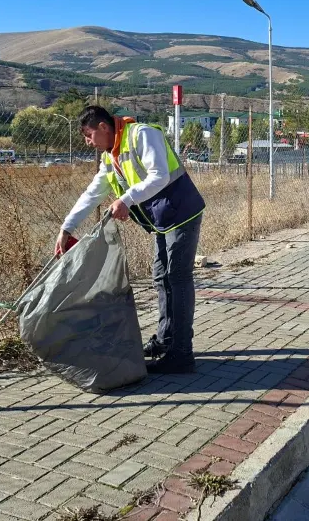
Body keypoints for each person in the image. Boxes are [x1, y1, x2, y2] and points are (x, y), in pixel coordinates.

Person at [55, 105, 206, 374]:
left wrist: (126, 200)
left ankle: (181, 354)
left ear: (103, 127)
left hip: (182, 212)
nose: (88, 142)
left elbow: (159, 174)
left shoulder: (141, 134)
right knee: (161, 277)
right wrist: (67, 227)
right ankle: (166, 340)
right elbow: (94, 192)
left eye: (89, 135)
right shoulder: (110, 156)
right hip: (163, 219)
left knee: (178, 278)